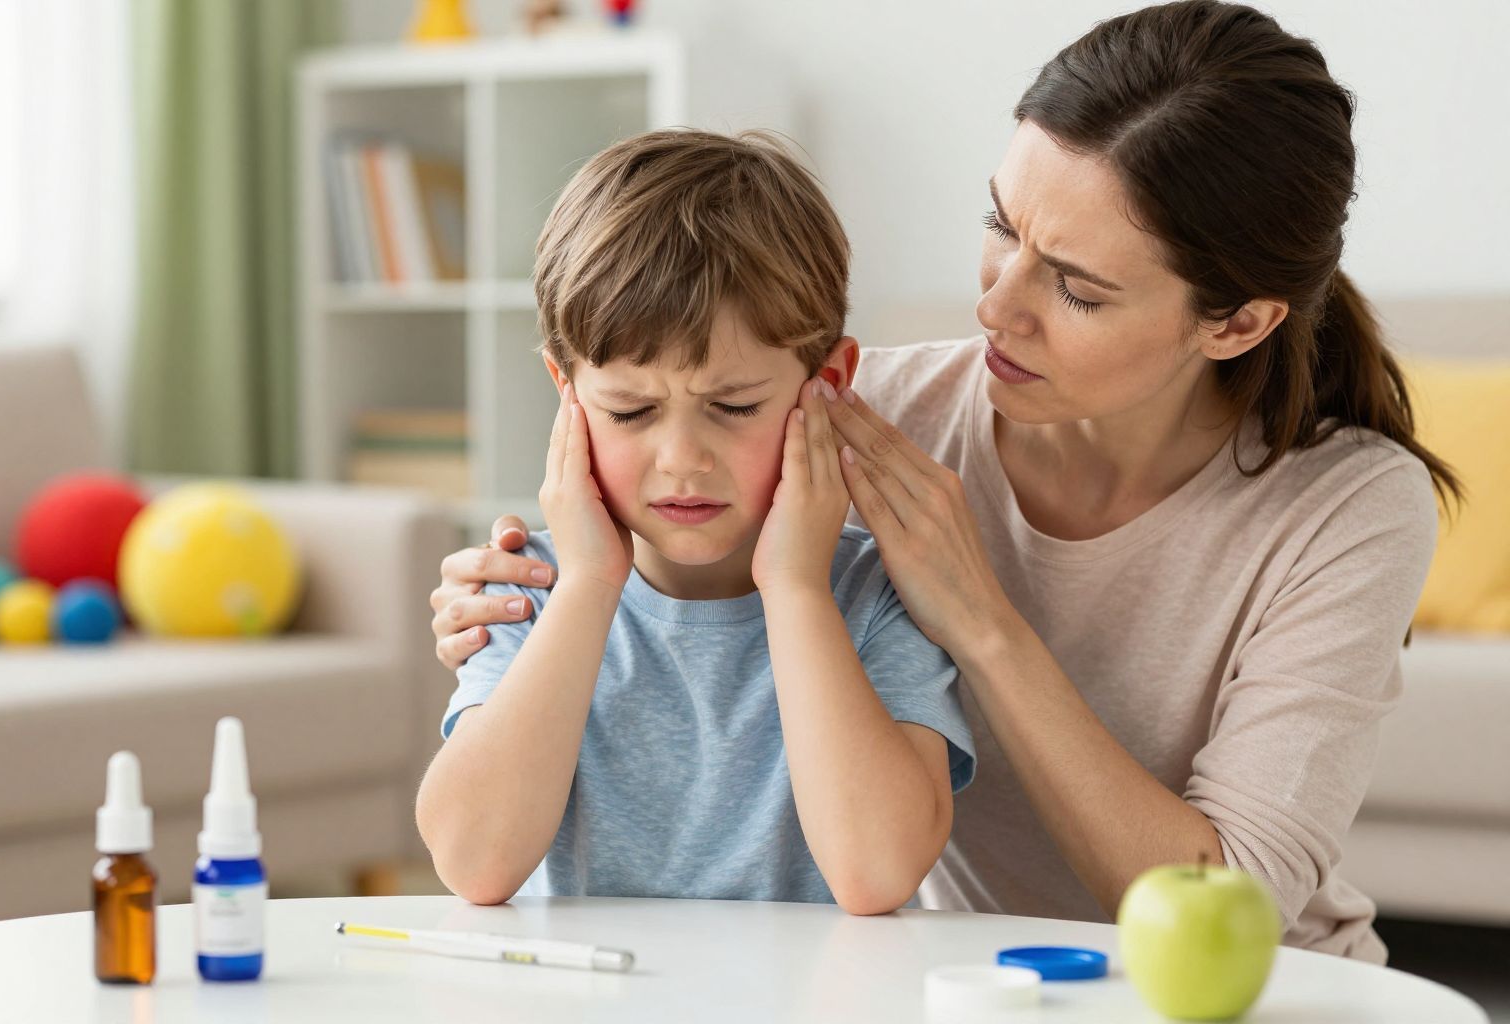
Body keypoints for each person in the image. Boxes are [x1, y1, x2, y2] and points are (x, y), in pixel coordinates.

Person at [428, 1, 1459, 961]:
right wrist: (505, 597)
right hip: (980, 981)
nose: (997, 309)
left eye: (1077, 288)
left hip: (1244, 989)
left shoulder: (1347, 506)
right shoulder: (849, 418)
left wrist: (984, 621)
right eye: (1004, 227)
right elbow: (654, 477)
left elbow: (1226, 910)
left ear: (1235, 323)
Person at [414, 129, 976, 916]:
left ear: (831, 384)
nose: (681, 458)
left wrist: (795, 588)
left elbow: (877, 873)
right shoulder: (533, 592)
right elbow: (474, 863)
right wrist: (587, 587)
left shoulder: (876, 596)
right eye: (631, 410)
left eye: (734, 407)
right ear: (566, 391)